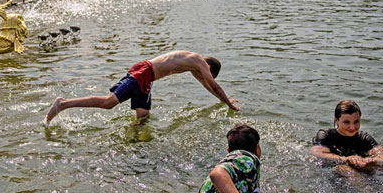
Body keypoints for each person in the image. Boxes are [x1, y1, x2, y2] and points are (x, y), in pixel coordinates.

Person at [44, 50, 239, 125]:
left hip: (148, 79)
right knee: (108, 102)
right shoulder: (199, 61)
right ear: (210, 67)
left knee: (143, 116)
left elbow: (208, 86)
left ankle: (133, 144)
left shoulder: (194, 67)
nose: (205, 76)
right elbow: (214, 86)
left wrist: (223, 101)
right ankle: (63, 104)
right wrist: (228, 102)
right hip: (143, 72)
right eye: (209, 73)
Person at [311, 100, 383, 174]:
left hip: (361, 168)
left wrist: (371, 160)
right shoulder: (325, 135)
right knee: (345, 169)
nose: (352, 127)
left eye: (356, 122)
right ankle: (364, 190)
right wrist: (346, 159)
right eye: (346, 122)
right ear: (336, 120)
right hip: (333, 170)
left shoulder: (363, 137)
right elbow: (317, 153)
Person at [194, 124, 262, 193]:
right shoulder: (247, 158)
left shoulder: (238, 167)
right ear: (257, 148)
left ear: (228, 150)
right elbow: (217, 174)